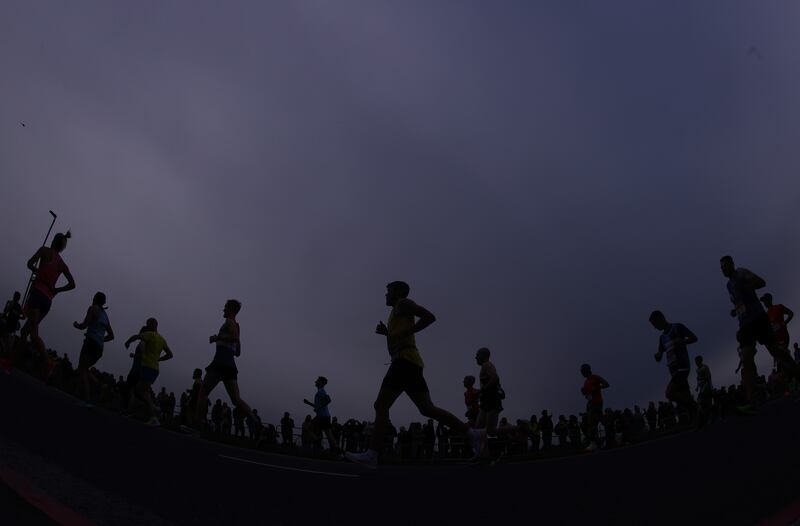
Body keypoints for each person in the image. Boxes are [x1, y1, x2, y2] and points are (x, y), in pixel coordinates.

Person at [344, 281, 484, 468]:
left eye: (388, 291)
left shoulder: (403, 303)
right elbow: (397, 340)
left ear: (398, 291)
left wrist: (407, 331)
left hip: (404, 362)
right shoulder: (395, 312)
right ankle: (472, 434)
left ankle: (372, 454)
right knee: (427, 409)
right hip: (409, 363)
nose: (385, 294)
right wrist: (388, 334)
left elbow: (429, 317)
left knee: (381, 405)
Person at [721, 255, 800, 413]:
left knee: (776, 351)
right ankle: (751, 401)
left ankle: (797, 372)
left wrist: (747, 285)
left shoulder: (741, 273)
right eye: (721, 267)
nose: (723, 269)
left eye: (725, 265)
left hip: (758, 318)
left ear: (732, 265)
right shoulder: (728, 285)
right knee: (747, 357)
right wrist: (735, 310)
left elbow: (761, 282)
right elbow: (740, 303)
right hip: (745, 324)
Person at [194, 300, 260, 434]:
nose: (222, 310)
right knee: (236, 400)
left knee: (202, 393)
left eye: (225, 308)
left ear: (230, 309)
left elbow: (234, 338)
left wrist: (217, 338)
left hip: (220, 363)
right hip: (230, 366)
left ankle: (197, 427)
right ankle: (256, 423)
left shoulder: (229, 323)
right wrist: (223, 340)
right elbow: (238, 352)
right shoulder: (237, 325)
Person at [19, 232, 75, 379]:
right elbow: (72, 284)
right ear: (63, 246)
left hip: (38, 294)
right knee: (25, 332)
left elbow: (29, 263)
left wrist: (36, 270)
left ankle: (48, 362)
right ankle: (14, 359)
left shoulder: (44, 250)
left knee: (33, 334)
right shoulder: (62, 263)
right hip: (47, 300)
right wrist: (56, 290)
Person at [649, 310, 699, 423]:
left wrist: (682, 341)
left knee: (669, 393)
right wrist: (657, 355)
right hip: (672, 369)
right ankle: (699, 418)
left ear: (661, 318)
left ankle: (694, 407)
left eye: (655, 324)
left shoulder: (677, 327)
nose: (655, 328)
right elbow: (659, 355)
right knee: (685, 395)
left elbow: (694, 338)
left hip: (682, 366)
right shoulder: (662, 338)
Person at [124, 318, 173, 426]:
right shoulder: (162, 339)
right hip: (155, 369)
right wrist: (159, 359)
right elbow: (170, 355)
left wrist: (127, 342)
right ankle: (147, 411)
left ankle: (154, 414)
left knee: (143, 392)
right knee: (140, 390)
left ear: (152, 325)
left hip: (147, 367)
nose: (147, 326)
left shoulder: (150, 334)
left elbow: (136, 337)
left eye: (148, 324)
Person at [73, 292, 114, 407]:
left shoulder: (93, 309)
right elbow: (111, 336)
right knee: (84, 369)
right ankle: (100, 386)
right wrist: (101, 339)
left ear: (95, 299)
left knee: (82, 369)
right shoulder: (105, 316)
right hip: (99, 347)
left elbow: (84, 325)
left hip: (90, 342)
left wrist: (76, 325)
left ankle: (87, 400)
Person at [474, 347, 505, 437]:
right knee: (478, 428)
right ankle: (483, 450)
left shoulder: (487, 365)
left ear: (483, 356)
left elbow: (494, 378)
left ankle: (518, 428)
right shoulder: (486, 366)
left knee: (491, 431)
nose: (475, 358)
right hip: (486, 401)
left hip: (492, 400)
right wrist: (481, 392)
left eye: (477, 355)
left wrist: (483, 390)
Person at [303, 376, 338, 452]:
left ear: (321, 383)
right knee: (329, 434)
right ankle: (336, 450)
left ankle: (317, 441)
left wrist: (318, 408)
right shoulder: (320, 391)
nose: (315, 382)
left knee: (307, 428)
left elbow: (328, 400)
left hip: (322, 416)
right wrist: (308, 403)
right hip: (324, 416)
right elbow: (318, 405)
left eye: (317, 381)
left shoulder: (321, 391)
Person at [580, 363, 609, 451]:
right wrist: (584, 391)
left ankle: (596, 442)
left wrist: (596, 388)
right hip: (590, 403)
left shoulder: (595, 377)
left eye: (582, 371)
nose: (582, 374)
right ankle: (599, 441)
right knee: (597, 421)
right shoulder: (586, 382)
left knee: (592, 422)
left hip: (597, 402)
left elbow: (606, 384)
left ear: (587, 370)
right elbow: (587, 393)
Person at [760, 293, 794, 360]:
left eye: (765, 300)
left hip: (783, 336)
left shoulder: (779, 307)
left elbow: (791, 313)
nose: (764, 303)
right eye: (763, 301)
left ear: (770, 300)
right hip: (775, 341)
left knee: (783, 355)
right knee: (780, 359)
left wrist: (785, 322)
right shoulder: (766, 315)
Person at [0, 292, 23, 373]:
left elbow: (5, 311)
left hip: (8, 326)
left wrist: (5, 315)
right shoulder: (19, 307)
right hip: (12, 328)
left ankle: (6, 361)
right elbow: (23, 317)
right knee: (8, 345)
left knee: (6, 344)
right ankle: (6, 362)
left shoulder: (12, 303)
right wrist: (18, 316)